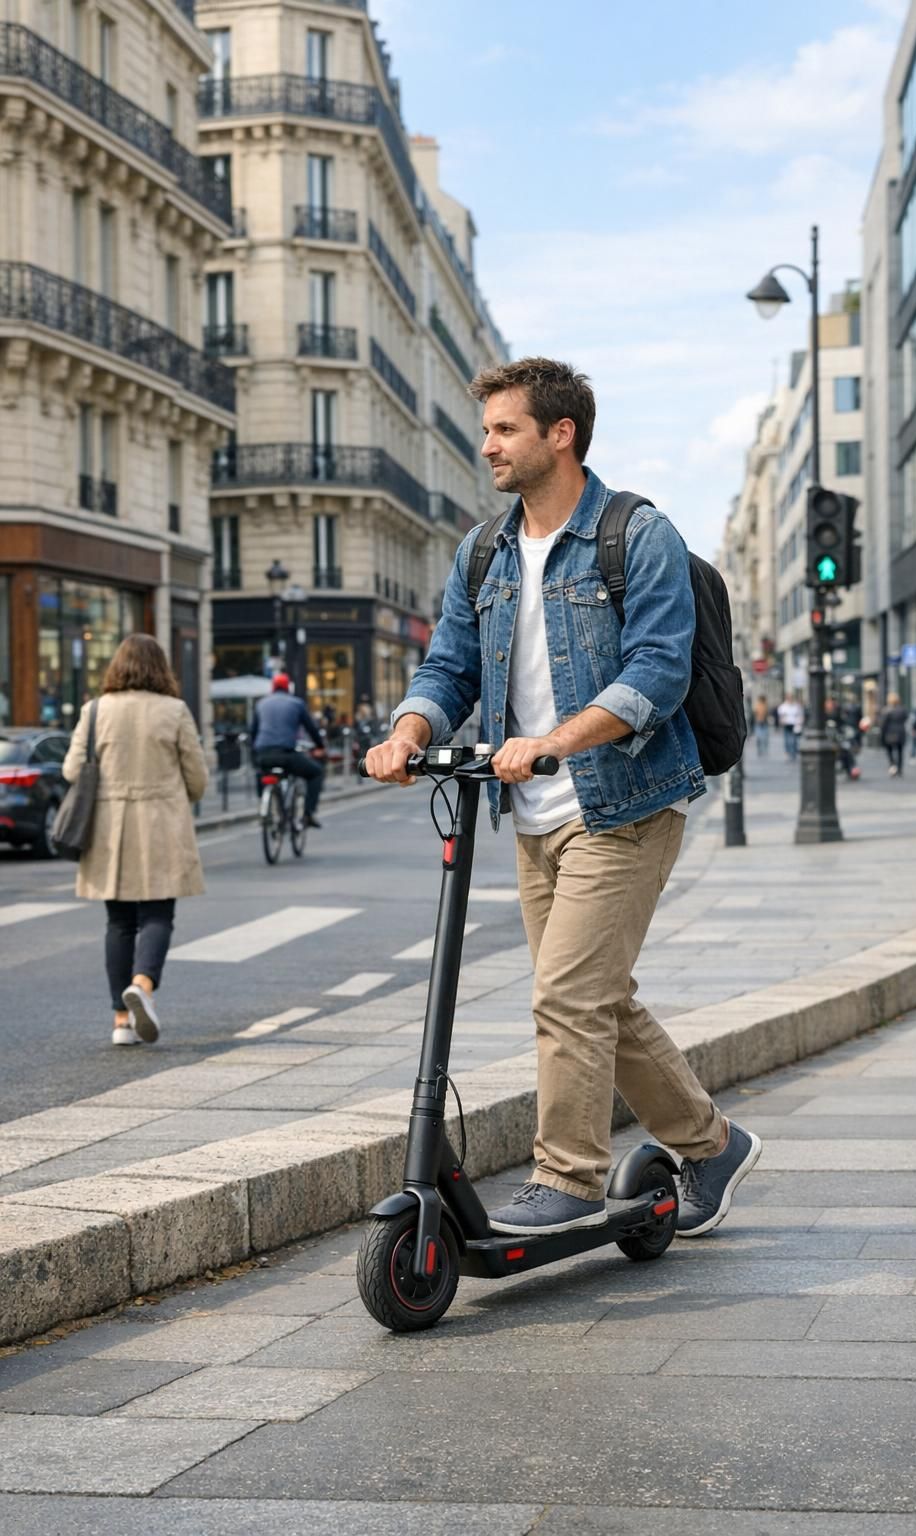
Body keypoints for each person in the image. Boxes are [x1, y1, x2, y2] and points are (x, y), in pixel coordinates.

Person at [365, 356, 760, 1239]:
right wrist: (410, 732)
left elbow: (655, 672)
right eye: (488, 429)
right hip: (534, 816)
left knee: (570, 999)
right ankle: (712, 1144)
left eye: (505, 429)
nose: (488, 445)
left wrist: (552, 741)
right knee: (595, 1000)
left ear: (561, 434)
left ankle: (568, 1177)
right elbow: (449, 664)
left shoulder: (636, 534)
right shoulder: (485, 550)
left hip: (627, 802)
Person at [61, 634, 207, 1047]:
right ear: (161, 668)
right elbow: (196, 777)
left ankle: (121, 1020)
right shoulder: (174, 710)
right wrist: (180, 794)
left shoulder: (94, 711)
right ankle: (142, 983)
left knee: (119, 921)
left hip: (110, 825)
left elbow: (73, 769)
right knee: (158, 914)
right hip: (162, 819)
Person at [251, 673, 326, 826]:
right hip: (286, 754)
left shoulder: (261, 703)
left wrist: (256, 751)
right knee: (316, 772)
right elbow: (311, 728)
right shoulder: (296, 703)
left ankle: (264, 806)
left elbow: (253, 731)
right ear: (288, 688)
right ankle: (308, 813)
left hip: (263, 753)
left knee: (261, 773)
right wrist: (320, 746)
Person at [880, 692, 909, 777]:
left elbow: (883, 724)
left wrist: (882, 734)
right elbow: (906, 719)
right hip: (900, 733)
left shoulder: (886, 710)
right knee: (900, 752)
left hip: (890, 733)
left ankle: (892, 766)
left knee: (890, 751)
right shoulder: (902, 709)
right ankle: (899, 769)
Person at [777, 692, 804, 762]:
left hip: (794, 725)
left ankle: (793, 753)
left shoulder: (796, 706)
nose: (790, 699)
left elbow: (800, 714)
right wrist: (782, 721)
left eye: (791, 697)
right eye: (788, 697)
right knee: (787, 740)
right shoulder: (783, 706)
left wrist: (800, 721)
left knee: (794, 740)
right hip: (786, 725)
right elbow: (781, 716)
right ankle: (788, 753)